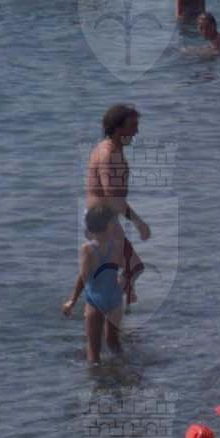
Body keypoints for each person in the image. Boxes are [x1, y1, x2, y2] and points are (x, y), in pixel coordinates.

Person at [87, 104, 151, 306]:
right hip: (101, 221)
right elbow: (112, 196)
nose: (136, 131)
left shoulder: (111, 148)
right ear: (117, 128)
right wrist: (139, 223)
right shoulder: (108, 154)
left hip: (103, 219)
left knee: (122, 270)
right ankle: (107, 306)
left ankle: (108, 305)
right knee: (134, 267)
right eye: (132, 126)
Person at [61, 205, 126, 366]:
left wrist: (72, 300)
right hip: (115, 298)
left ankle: (95, 378)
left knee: (93, 348)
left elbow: (83, 277)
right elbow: (126, 269)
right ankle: (124, 367)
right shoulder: (118, 245)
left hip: (95, 299)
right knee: (113, 340)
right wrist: (123, 285)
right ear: (109, 225)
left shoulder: (87, 249)